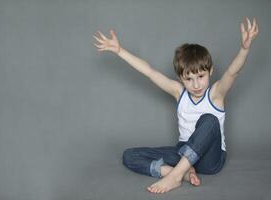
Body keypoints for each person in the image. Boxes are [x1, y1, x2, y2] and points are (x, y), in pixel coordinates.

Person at [93, 17, 259, 194]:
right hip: (182, 152)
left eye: (201, 76)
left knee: (209, 120)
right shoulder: (179, 92)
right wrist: (120, 51)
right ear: (181, 78)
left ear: (210, 71)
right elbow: (150, 72)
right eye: (189, 79)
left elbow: (232, 72)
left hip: (211, 159)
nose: (196, 85)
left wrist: (244, 49)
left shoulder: (216, 94)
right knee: (130, 156)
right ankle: (180, 173)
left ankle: (175, 177)